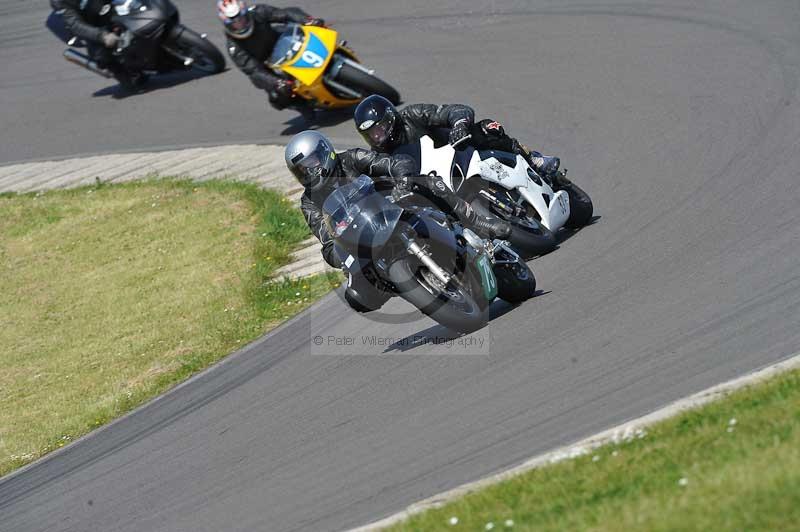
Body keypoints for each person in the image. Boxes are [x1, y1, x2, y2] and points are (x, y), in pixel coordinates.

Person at [284, 131, 511, 312]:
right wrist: (341, 256)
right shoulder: (308, 202)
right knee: (356, 298)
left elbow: (391, 163)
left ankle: (478, 222)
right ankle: (419, 290)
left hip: (395, 208)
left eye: (312, 164)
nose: (309, 173)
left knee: (427, 182)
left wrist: (402, 180)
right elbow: (326, 238)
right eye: (302, 171)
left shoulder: (350, 159)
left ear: (325, 153)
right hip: (364, 240)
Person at [353, 95, 564, 182]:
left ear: (390, 118)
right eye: (371, 134)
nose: (378, 137)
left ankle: (532, 160)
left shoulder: (413, 115)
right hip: (440, 183)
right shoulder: (379, 156)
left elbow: (455, 110)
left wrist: (459, 125)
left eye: (379, 129)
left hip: (460, 151)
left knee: (487, 128)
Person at [217, 0, 325, 110]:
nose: (240, 24)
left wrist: (308, 21)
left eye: (242, 19)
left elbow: (286, 13)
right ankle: (303, 105)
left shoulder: (258, 12)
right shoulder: (234, 47)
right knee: (277, 95)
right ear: (227, 24)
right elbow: (253, 70)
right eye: (235, 23)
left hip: (282, 40)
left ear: (247, 14)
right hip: (268, 64)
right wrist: (276, 82)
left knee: (310, 29)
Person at [49, 0, 144, 88]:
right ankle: (123, 72)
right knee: (103, 57)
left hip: (114, 11)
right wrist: (102, 36)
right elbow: (75, 25)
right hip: (97, 29)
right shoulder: (60, 1)